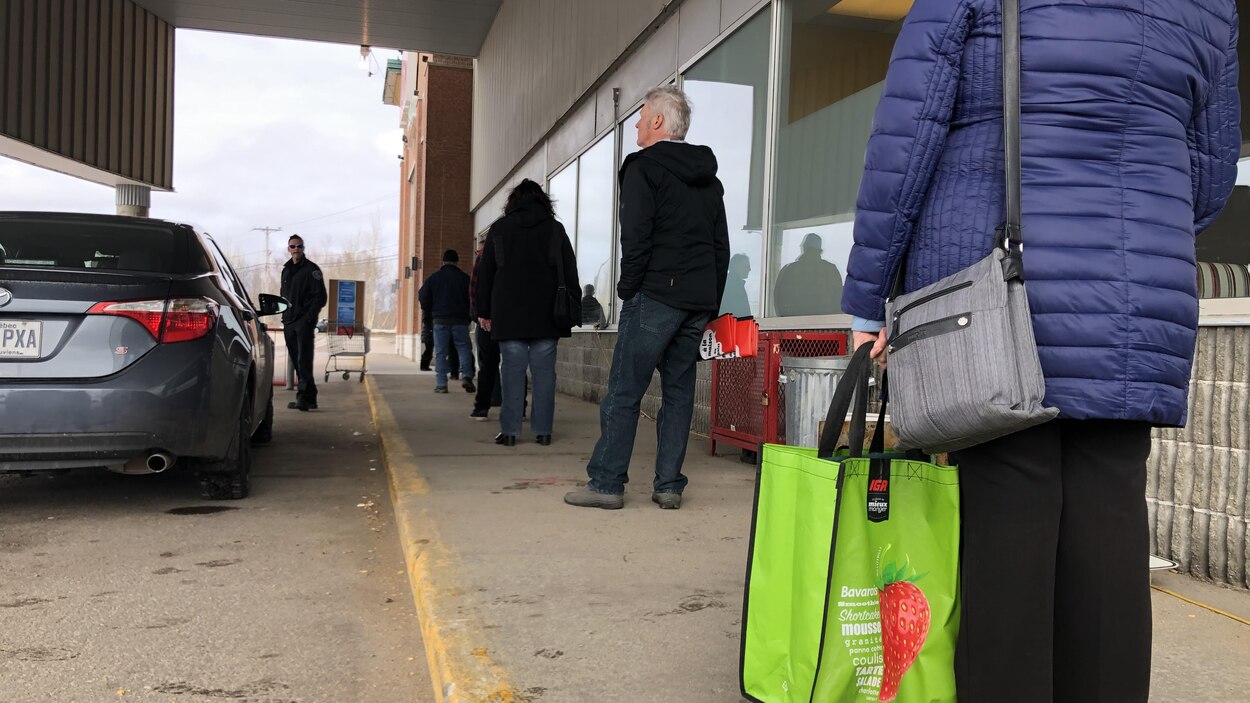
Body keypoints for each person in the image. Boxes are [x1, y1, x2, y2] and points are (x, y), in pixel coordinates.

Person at [841, 2, 1240, 701]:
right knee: (1110, 521)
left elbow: (906, 137)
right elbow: (1207, 179)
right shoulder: (1202, 6)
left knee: (1008, 532)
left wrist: (871, 296)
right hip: (1134, 295)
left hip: (996, 301)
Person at [564, 85, 729, 511]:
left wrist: (627, 289)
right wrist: (708, 303)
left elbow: (635, 238)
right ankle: (669, 485)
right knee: (678, 393)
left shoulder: (642, 168)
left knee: (624, 389)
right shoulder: (710, 180)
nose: (636, 123)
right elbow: (719, 248)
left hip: (655, 293)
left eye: (641, 116)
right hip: (696, 301)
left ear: (658, 121)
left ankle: (606, 484)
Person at [475, 179, 579, 447]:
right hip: (547, 313)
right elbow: (569, 270)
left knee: (511, 370)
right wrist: (575, 307)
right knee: (545, 373)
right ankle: (543, 432)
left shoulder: (500, 228)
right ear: (544, 201)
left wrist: (483, 311)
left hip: (509, 313)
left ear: (513, 201)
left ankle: (510, 432)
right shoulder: (555, 230)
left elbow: (486, 273)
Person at [280, 234, 327, 412]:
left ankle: (303, 397)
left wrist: (309, 318)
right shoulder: (285, 270)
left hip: (303, 322)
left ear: (303, 248)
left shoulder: (311, 270)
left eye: (299, 246)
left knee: (304, 359)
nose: (296, 249)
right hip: (289, 320)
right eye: (293, 246)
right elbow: (284, 294)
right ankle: (309, 396)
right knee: (296, 358)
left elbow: (320, 296)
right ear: (288, 249)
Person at [418, 250, 475, 394]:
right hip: (460, 320)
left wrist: (430, 312)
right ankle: (467, 376)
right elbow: (473, 298)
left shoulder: (434, 278)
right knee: (464, 348)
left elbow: (423, 296)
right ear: (457, 262)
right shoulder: (465, 278)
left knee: (441, 353)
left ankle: (441, 384)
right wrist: (468, 317)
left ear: (443, 262)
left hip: (440, 320)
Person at [773, 232, 842, 316]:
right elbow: (838, 299)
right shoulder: (831, 270)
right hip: (825, 325)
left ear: (804, 248)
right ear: (820, 251)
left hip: (794, 324)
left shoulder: (790, 270)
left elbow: (780, 300)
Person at [420, 305, 460, 378]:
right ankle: (425, 366)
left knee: (439, 351)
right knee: (434, 350)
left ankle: (441, 378)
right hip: (434, 329)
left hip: (436, 326)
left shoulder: (430, 309)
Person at [719, 253, 752, 318]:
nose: (749, 269)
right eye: (747, 266)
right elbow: (739, 311)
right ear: (736, 266)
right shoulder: (733, 285)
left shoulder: (730, 282)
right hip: (734, 325)